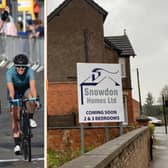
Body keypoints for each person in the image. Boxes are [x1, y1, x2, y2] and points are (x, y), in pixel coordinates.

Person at [6, 54, 39, 154]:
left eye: (23, 67)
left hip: (25, 89)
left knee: (32, 96)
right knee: (14, 116)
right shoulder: (9, 73)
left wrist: (36, 100)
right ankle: (16, 144)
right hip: (15, 91)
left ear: (26, 66)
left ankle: (30, 118)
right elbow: (11, 90)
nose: (21, 69)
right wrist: (12, 100)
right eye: (18, 67)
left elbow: (32, 88)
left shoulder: (30, 71)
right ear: (15, 67)